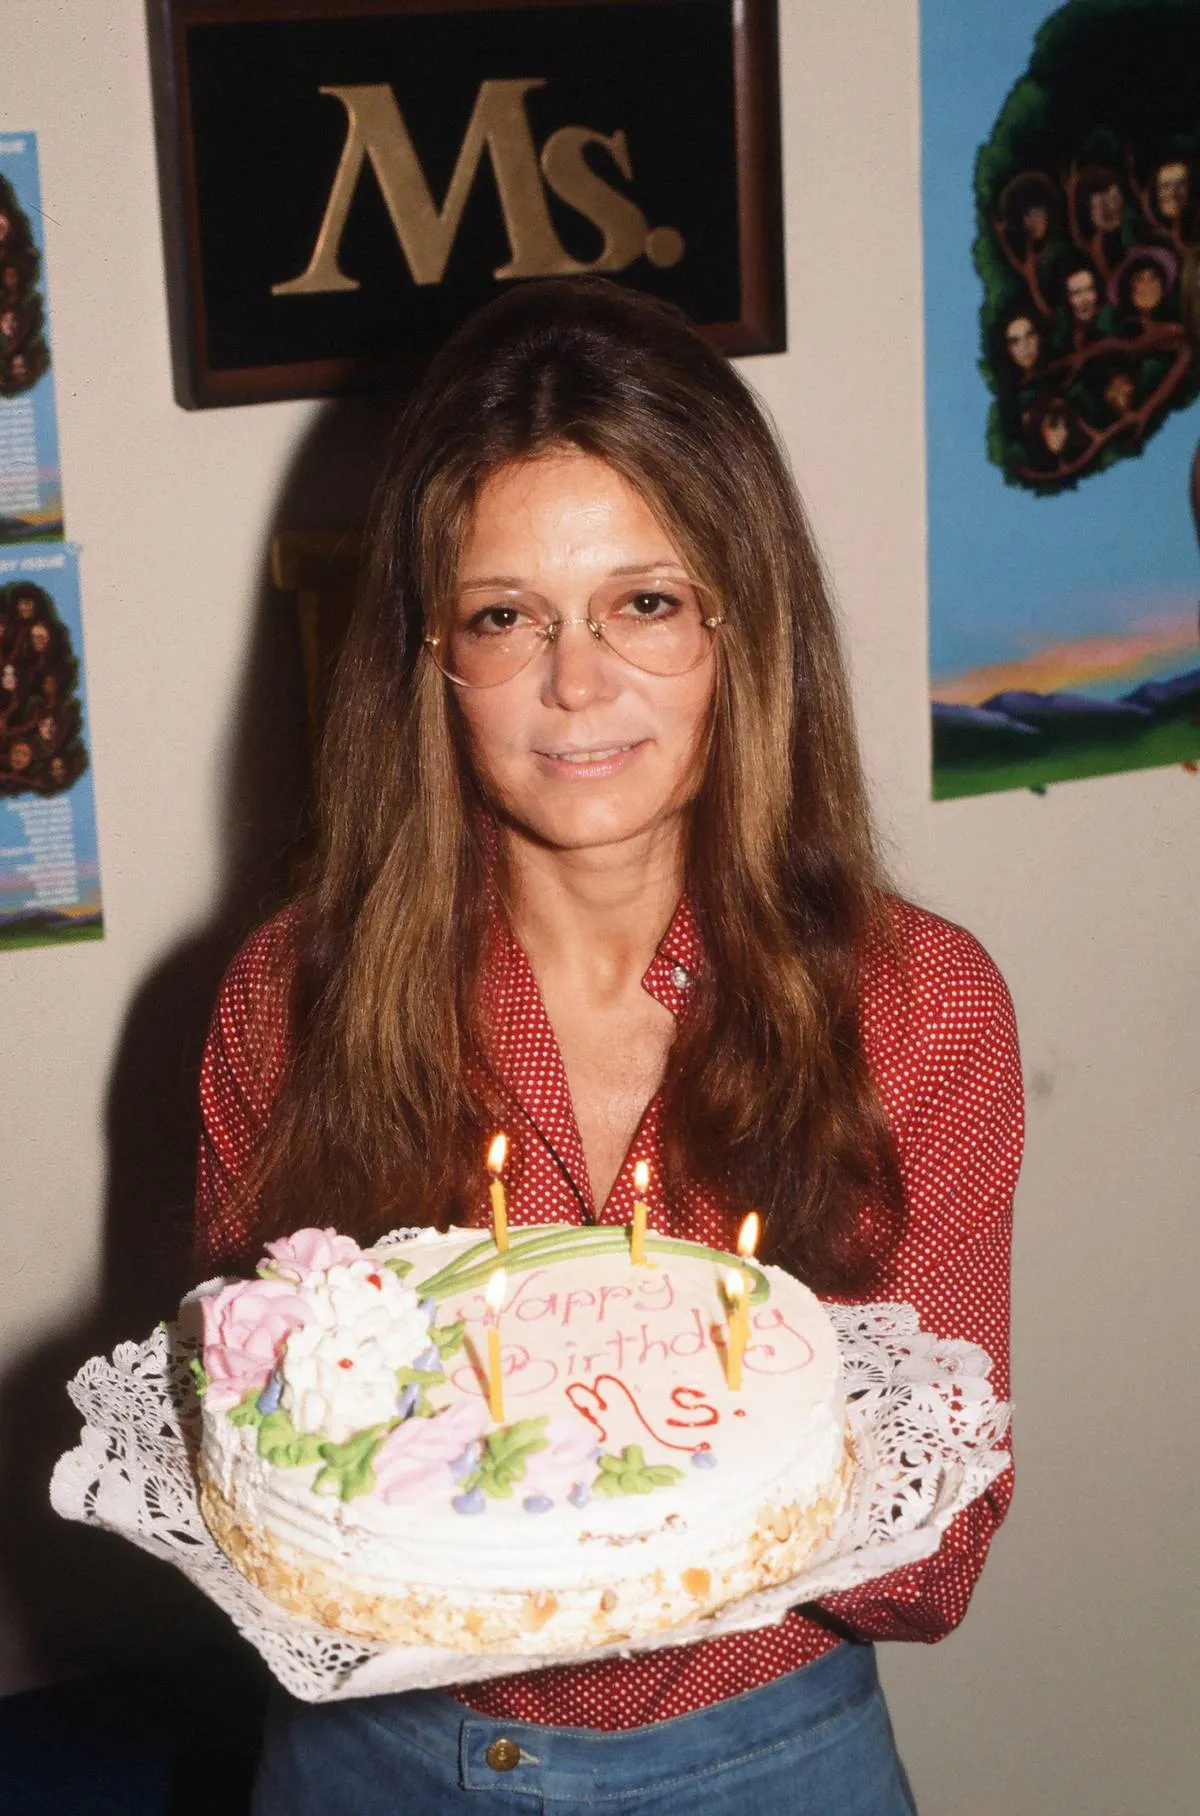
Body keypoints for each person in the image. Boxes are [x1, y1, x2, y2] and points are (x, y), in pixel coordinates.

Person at [194, 279, 1022, 1815]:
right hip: (374, 1765)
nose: (577, 683)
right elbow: (263, 1482)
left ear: (741, 625)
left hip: (765, 1753)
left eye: (644, 602)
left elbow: (938, 1562)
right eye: (506, 616)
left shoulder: (919, 1006)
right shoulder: (284, 1001)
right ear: (430, 659)